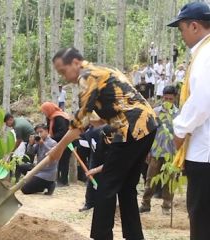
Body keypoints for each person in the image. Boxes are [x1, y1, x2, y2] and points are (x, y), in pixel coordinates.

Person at [49, 47, 158, 239]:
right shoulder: (104, 70)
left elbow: (79, 125)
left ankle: (101, 236)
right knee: (126, 187)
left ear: (75, 63)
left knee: (106, 185)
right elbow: (109, 112)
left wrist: (57, 150)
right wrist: (89, 121)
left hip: (131, 129)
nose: (65, 77)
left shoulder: (87, 77)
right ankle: (134, 236)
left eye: (63, 71)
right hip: (147, 126)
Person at [168, 2, 210, 239]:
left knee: (202, 220)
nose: (182, 35)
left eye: (182, 28)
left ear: (194, 26)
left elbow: (203, 99)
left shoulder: (206, 55)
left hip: (205, 153)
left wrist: (180, 130)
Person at [139, 86, 178, 215]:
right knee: (150, 179)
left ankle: (166, 206)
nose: (167, 101)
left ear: (174, 99)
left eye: (170, 99)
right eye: (165, 98)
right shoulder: (155, 112)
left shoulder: (178, 114)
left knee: (170, 180)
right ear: (162, 97)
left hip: (171, 154)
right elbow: (149, 132)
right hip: (156, 151)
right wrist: (147, 151)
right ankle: (145, 204)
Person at [40, 102, 71, 186]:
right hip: (56, 142)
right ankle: (56, 179)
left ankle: (64, 181)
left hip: (66, 141)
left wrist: (50, 138)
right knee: (56, 160)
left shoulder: (60, 117)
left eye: (44, 111)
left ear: (49, 109)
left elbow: (63, 132)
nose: (44, 113)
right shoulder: (50, 117)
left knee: (64, 161)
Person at [21, 124, 57, 195]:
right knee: (21, 166)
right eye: (37, 133)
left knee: (24, 189)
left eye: (41, 132)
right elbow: (30, 153)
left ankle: (50, 184)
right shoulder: (38, 142)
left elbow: (53, 156)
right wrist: (30, 144)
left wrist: (42, 144)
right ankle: (40, 186)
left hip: (47, 172)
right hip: (38, 169)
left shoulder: (53, 143)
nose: (39, 134)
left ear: (47, 131)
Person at [4, 113, 35, 182]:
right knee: (26, 160)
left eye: (6, 123)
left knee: (24, 162)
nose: (6, 125)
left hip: (31, 141)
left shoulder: (17, 126)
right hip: (30, 139)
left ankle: (28, 177)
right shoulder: (19, 119)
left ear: (10, 120)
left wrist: (13, 150)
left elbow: (19, 140)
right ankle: (24, 178)